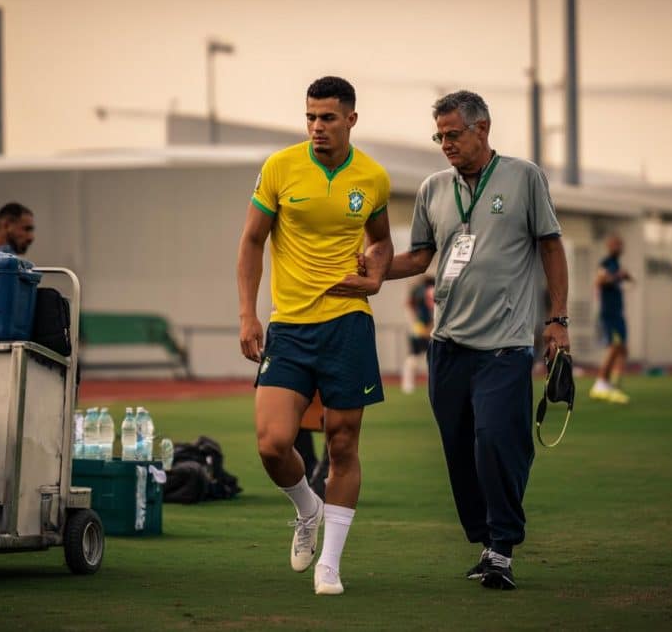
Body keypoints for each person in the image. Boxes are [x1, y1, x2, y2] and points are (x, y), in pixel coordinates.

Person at [372, 90, 569, 591]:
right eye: (439, 136)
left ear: (482, 128)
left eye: (453, 134)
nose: (445, 144)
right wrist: (368, 272)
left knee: (497, 444)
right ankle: (486, 539)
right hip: (447, 347)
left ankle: (502, 547)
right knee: (459, 451)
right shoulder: (433, 188)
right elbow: (418, 260)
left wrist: (558, 319)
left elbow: (551, 246)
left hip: (504, 346)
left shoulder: (524, 177)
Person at [236, 76, 393, 596]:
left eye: (327, 117)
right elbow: (251, 242)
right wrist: (248, 315)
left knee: (343, 442)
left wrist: (373, 274)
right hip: (290, 326)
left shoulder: (372, 177)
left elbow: (382, 241)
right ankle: (308, 507)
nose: (317, 127)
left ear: (351, 118)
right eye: (310, 117)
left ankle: (330, 564)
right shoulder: (281, 167)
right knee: (272, 442)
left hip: (348, 323)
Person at [589, 234, 631, 404]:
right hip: (609, 314)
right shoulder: (606, 263)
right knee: (615, 346)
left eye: (620, 245)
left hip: (618, 313)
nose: (618, 248)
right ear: (609, 246)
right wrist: (618, 276)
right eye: (615, 244)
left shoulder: (616, 264)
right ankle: (600, 383)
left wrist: (624, 277)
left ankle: (612, 385)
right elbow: (599, 281)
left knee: (622, 349)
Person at [401, 275, 435, 394]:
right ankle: (408, 384)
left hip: (426, 327)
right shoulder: (423, 290)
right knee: (417, 356)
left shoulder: (419, 290)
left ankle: (409, 384)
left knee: (422, 356)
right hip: (423, 327)